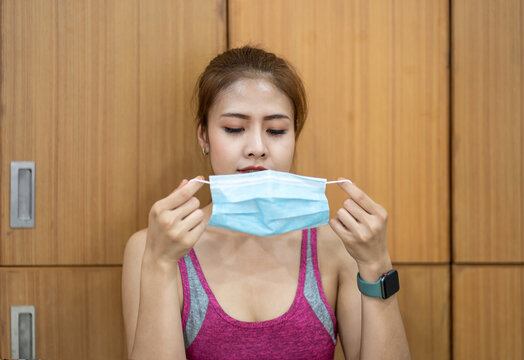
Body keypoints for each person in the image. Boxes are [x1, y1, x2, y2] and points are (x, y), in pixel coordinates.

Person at [122, 46, 410, 359]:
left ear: (294, 136)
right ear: (204, 136)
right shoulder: (151, 248)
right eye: (234, 128)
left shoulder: (337, 246)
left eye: (276, 130)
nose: (257, 148)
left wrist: (376, 265)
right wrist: (160, 263)